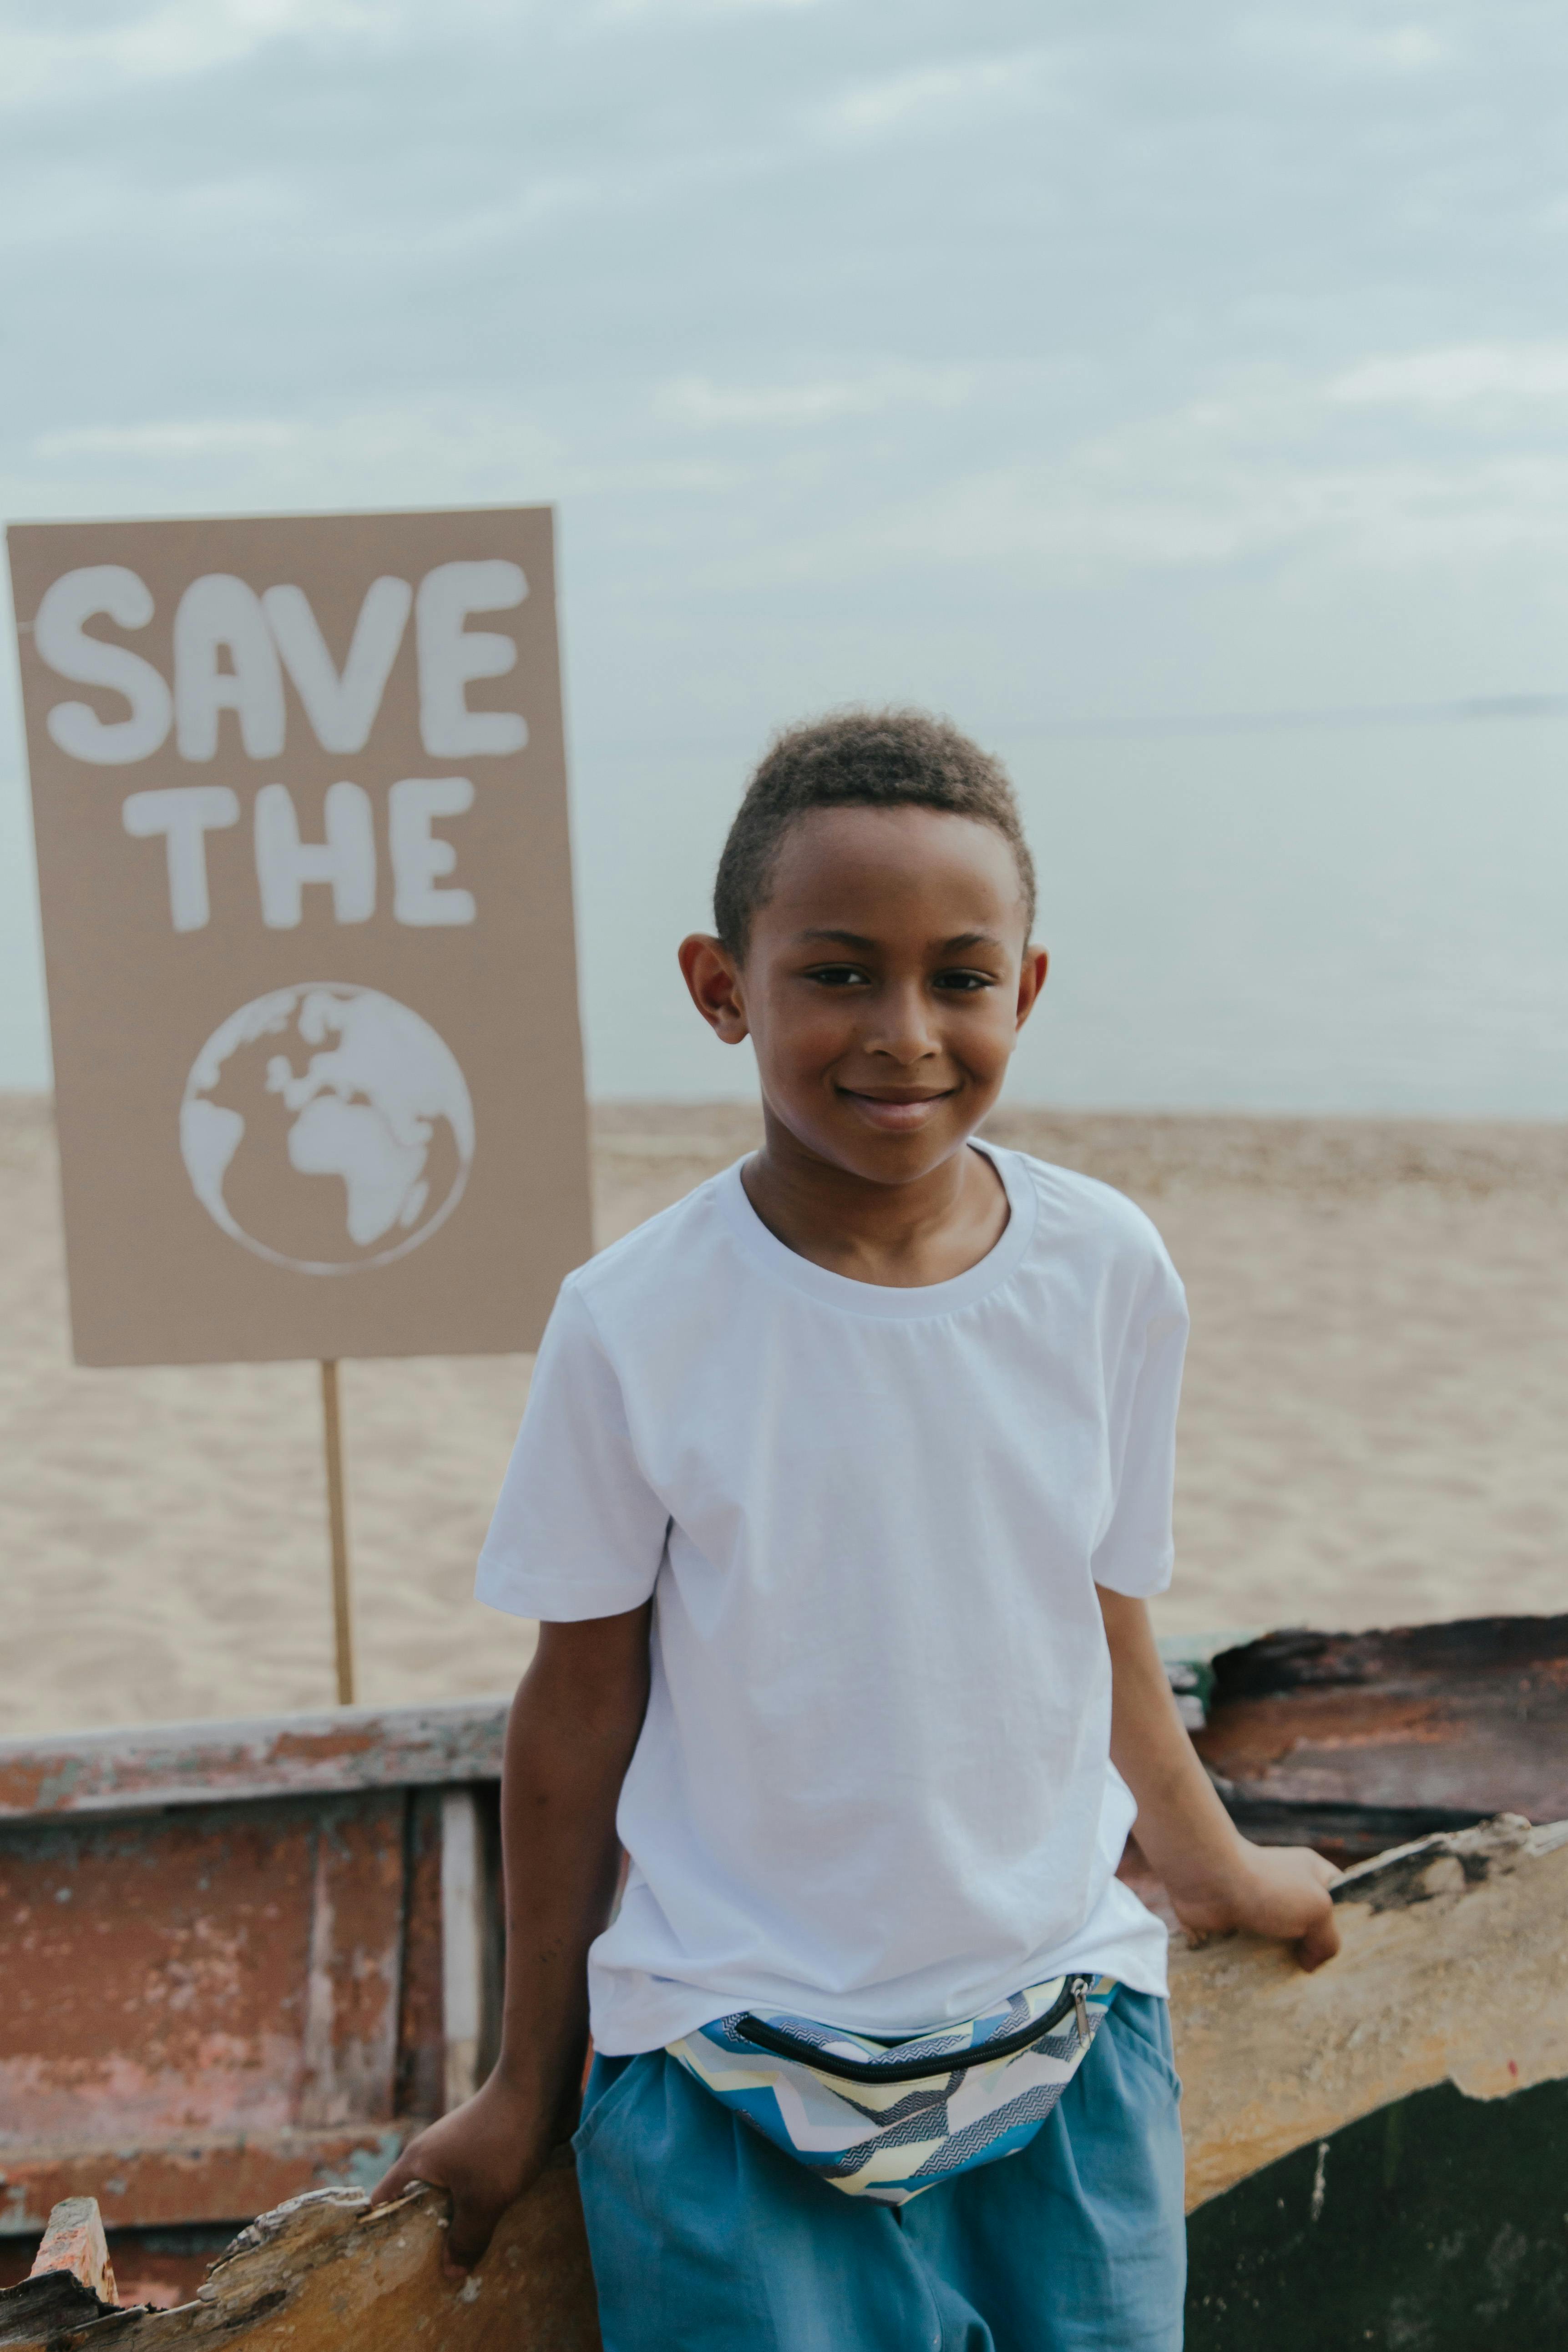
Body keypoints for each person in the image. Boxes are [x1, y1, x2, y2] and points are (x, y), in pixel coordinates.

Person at [373, 709, 1339, 2350]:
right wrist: (522, 2084)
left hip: (1071, 2045)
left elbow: (1099, 1620)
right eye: (838, 973)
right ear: (720, 985)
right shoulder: (638, 1323)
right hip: (727, 2074)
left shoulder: (1107, 1272)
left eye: (960, 976)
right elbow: (579, 1710)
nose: (904, 1031)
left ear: (1025, 991)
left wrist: (1213, 1862)